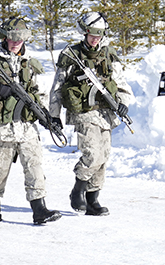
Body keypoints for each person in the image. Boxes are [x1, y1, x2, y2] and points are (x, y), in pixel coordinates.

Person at [0, 17, 61, 225]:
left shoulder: (30, 63)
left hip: (25, 126)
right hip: (0, 126)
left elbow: (39, 93)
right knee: (0, 169)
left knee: (34, 165)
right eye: (11, 38)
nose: (15, 43)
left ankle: (39, 209)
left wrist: (48, 116)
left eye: (19, 39)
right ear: (4, 37)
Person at [49, 11, 133, 216]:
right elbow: (57, 88)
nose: (95, 39)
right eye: (92, 35)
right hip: (84, 112)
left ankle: (93, 199)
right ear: (85, 33)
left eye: (99, 35)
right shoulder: (71, 55)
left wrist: (123, 103)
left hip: (105, 112)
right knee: (92, 155)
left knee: (103, 156)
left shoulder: (107, 53)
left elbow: (121, 83)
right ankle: (77, 190)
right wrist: (54, 115)